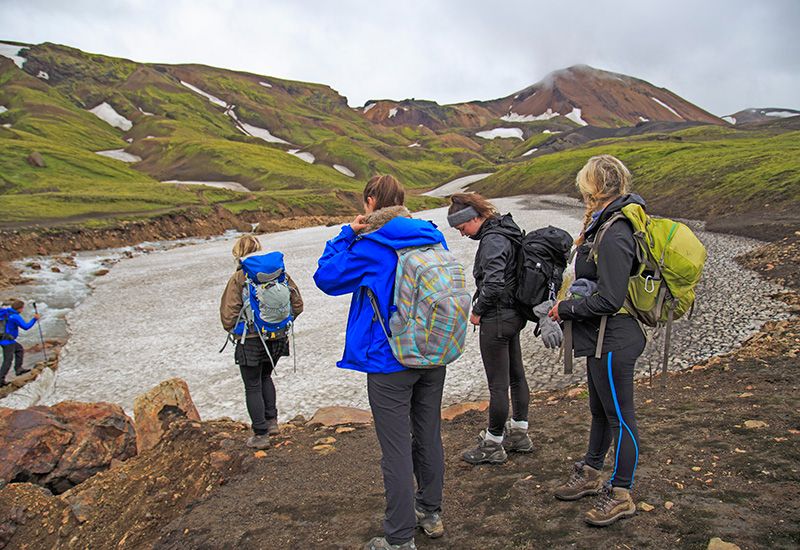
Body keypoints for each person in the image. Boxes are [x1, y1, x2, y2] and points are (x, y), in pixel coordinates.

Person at [314, 174, 448, 550]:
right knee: (428, 435)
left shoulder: (373, 244)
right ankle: (430, 514)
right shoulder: (431, 234)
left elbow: (326, 277)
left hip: (390, 360)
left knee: (395, 450)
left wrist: (345, 233)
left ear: (371, 202)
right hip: (433, 352)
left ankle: (400, 538)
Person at [547, 155, 646, 526]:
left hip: (616, 337)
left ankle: (621, 492)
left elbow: (611, 298)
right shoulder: (603, 223)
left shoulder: (616, 230)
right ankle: (590, 473)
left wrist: (566, 309)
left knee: (620, 416)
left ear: (594, 186)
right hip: (600, 336)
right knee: (601, 412)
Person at [447, 193, 533, 465]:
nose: (462, 235)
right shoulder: (507, 231)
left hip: (496, 318)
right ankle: (519, 433)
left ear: (474, 218)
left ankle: (493, 443)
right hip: (515, 315)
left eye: (462, 228)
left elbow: (494, 284)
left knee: (498, 384)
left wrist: (477, 311)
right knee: (516, 376)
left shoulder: (492, 239)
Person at [220, 235, 304, 450]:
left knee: (252, 385)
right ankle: (272, 422)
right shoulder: (279, 272)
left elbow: (228, 315)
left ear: (238, 253)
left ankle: (260, 434)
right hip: (277, 338)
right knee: (266, 376)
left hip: (250, 340)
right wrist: (280, 325)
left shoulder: (239, 277)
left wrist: (238, 331)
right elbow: (298, 304)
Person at [0, 299, 40, 387]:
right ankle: (1, 380)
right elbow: (26, 327)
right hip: (8, 341)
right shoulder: (15, 316)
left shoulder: (6, 312)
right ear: (20, 308)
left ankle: (18, 369)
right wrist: (34, 319)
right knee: (7, 361)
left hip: (4, 339)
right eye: (22, 308)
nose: (22, 310)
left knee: (19, 349)